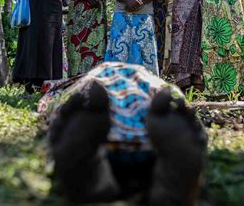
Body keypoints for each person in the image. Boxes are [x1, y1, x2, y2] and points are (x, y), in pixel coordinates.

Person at [45, 62, 207, 205]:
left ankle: (92, 177)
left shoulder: (85, 80)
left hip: (98, 112)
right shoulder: (150, 77)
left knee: (78, 101)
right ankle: (172, 184)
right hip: (151, 120)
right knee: (168, 99)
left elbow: (50, 100)